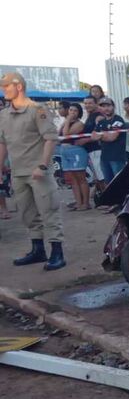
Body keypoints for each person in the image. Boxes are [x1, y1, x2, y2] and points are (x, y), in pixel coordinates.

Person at [0, 72, 66, 270]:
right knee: (27, 213)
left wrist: (43, 165)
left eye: (6, 87)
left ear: (18, 86)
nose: (3, 91)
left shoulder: (37, 110)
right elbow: (2, 142)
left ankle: (57, 252)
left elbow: (50, 138)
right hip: (18, 172)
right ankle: (38, 250)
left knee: (49, 211)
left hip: (38, 171)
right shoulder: (3, 115)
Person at [58, 103, 91, 211]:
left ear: (79, 113)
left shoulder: (79, 124)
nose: (72, 112)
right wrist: (66, 121)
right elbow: (60, 134)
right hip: (64, 150)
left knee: (80, 177)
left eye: (75, 111)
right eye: (71, 110)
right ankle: (78, 202)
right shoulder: (64, 123)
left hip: (75, 151)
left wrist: (67, 120)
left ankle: (85, 203)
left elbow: (67, 134)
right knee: (72, 179)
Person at [92, 96, 127, 183]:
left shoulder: (118, 119)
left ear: (113, 106)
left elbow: (112, 137)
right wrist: (105, 134)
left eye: (108, 106)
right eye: (103, 106)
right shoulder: (101, 122)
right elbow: (93, 136)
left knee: (119, 183)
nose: (106, 108)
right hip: (104, 158)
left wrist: (100, 135)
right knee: (108, 183)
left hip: (117, 158)